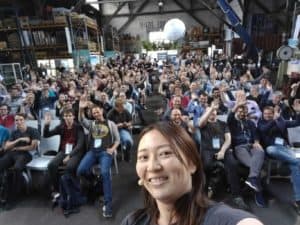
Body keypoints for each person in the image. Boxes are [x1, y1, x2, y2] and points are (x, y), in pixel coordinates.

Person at [121, 122, 263, 225]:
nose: (152, 166)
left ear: (191, 164)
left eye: (165, 153)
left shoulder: (221, 219)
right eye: (144, 157)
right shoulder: (132, 221)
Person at [77, 100, 120, 218]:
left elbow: (117, 140)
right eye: (93, 113)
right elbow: (81, 120)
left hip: (105, 153)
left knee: (105, 173)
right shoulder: (91, 124)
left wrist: (113, 149)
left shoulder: (111, 124)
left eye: (97, 111)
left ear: (102, 111)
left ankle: (108, 205)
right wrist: (81, 109)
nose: (95, 113)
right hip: (92, 152)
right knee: (80, 170)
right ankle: (97, 180)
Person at [257, 106, 300, 213]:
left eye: (269, 113)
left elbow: (296, 123)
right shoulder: (261, 123)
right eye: (265, 113)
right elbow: (264, 129)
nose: (267, 115)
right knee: (271, 150)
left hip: (284, 149)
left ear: (273, 114)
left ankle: (298, 200)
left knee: (295, 167)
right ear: (263, 114)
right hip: (272, 149)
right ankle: (296, 160)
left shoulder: (281, 121)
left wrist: (298, 112)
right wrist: (275, 120)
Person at [43, 109, 85, 197]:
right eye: (66, 116)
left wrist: (69, 156)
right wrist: (47, 125)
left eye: (70, 116)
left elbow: (80, 145)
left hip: (75, 152)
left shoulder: (78, 127)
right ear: (63, 117)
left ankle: (72, 189)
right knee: (51, 165)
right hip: (63, 151)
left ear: (73, 117)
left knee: (70, 166)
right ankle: (56, 188)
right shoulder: (61, 127)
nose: (68, 118)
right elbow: (46, 135)